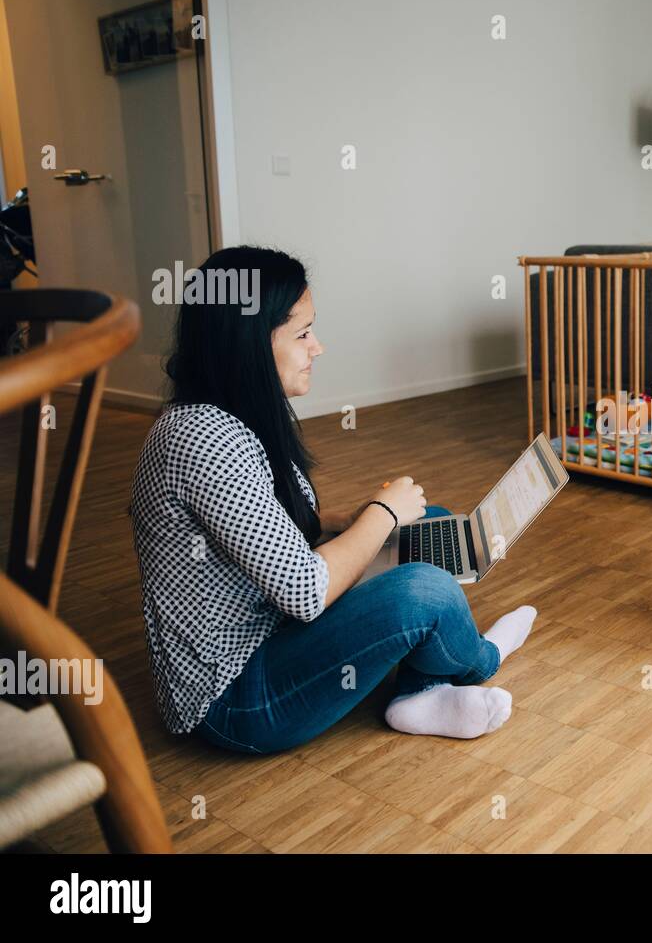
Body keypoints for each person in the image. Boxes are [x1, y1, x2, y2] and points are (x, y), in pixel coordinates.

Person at [130, 246, 534, 754]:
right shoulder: (202, 438)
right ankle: (481, 659)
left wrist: (344, 520)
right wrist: (382, 515)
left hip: (274, 627)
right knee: (424, 590)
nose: (317, 347)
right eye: (302, 334)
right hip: (234, 699)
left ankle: (418, 695)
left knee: (424, 524)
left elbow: (256, 527)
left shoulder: (236, 412)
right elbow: (303, 591)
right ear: (250, 342)